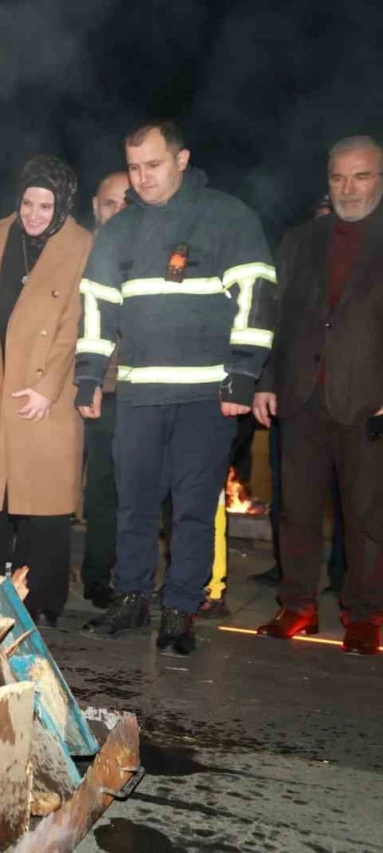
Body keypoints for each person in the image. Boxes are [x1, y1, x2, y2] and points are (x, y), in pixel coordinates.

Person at [75, 119, 276, 656]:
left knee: (192, 507)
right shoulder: (119, 229)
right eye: (134, 167)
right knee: (133, 503)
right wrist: (89, 377)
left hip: (207, 397)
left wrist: (242, 375)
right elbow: (96, 305)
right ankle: (132, 597)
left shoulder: (228, 217)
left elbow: (256, 296)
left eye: (154, 165)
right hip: (139, 394)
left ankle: (182, 610)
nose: (142, 178)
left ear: (182, 160)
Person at [253, 135, 383, 655]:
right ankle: (297, 605)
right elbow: (273, 316)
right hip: (300, 396)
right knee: (296, 509)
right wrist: (264, 382)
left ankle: (366, 615)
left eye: (362, 176)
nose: (348, 188)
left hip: (367, 401)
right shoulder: (300, 240)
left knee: (367, 515)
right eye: (338, 177)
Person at [0, 156, 92, 625]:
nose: (34, 215)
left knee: (45, 508)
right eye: (27, 203)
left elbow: (75, 323)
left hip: (47, 397)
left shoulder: (81, 245)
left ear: (62, 206)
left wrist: (48, 386)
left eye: (45, 205)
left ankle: (42, 603)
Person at [79, 170, 129, 609]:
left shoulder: (141, 255)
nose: (117, 212)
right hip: (59, 388)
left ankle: (98, 578)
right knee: (46, 491)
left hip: (113, 391)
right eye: (110, 203)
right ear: (96, 206)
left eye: (125, 204)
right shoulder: (73, 250)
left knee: (105, 491)